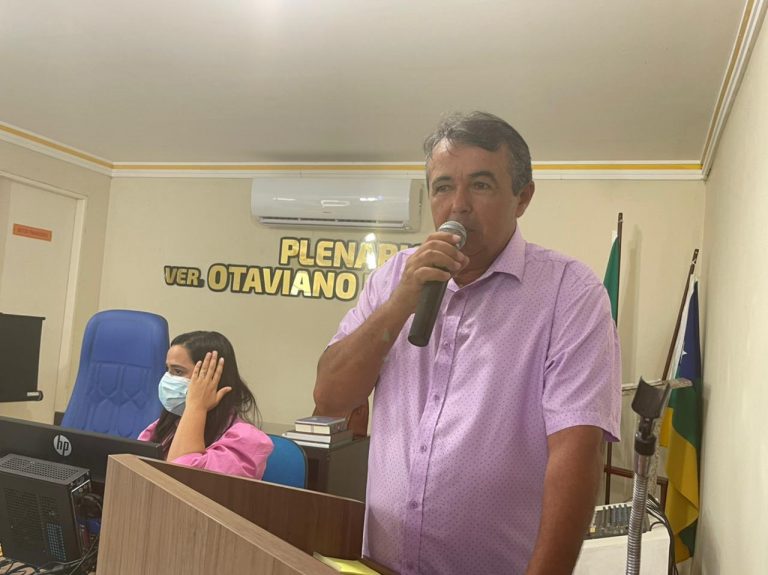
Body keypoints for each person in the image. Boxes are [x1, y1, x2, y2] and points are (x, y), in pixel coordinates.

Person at [314, 111, 621, 574]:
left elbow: (576, 455)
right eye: (443, 187)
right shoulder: (392, 280)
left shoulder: (570, 292)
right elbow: (330, 399)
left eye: (480, 184)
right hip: (380, 565)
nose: (458, 205)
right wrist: (400, 303)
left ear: (522, 197)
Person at [139, 330, 273, 479]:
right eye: (168, 370)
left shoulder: (247, 440)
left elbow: (180, 478)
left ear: (214, 378)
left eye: (178, 371)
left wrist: (196, 406)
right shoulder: (168, 425)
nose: (168, 379)